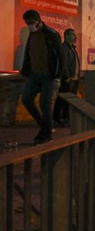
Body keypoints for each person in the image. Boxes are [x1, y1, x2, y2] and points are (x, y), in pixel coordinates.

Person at [20, 10, 63, 143]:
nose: (29, 25)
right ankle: (44, 127)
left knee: (45, 104)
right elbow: (29, 53)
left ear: (39, 21)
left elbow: (60, 56)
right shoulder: (31, 35)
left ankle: (46, 133)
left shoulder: (51, 34)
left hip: (48, 75)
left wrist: (56, 74)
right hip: (34, 74)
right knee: (26, 99)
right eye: (27, 23)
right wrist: (25, 69)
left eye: (32, 23)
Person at [54, 28, 80, 127]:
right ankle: (57, 118)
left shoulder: (72, 48)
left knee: (69, 100)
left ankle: (65, 118)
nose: (75, 37)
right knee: (62, 100)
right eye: (72, 35)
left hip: (74, 79)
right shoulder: (64, 48)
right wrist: (67, 77)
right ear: (66, 36)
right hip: (67, 79)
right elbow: (63, 64)